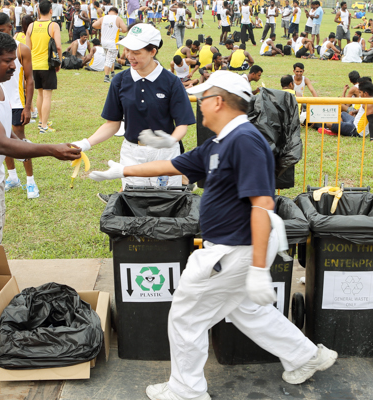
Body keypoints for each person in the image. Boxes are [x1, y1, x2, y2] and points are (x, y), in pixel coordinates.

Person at [88, 70, 338, 400]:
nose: (199, 106)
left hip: (229, 252)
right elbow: (174, 165)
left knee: (184, 317)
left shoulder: (246, 142)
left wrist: (260, 269)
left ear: (218, 102)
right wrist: (122, 171)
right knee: (250, 312)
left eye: (203, 99)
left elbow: (262, 205)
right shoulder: (220, 143)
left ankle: (186, 390)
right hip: (232, 252)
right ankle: (308, 356)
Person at [0, 31, 80, 243]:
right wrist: (52, 150)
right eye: (8, 61)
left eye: (15, 59)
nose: (15, 66)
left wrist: (23, 144)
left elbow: (4, 130)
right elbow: (2, 144)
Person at [70, 24, 195, 202]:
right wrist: (86, 143)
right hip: (132, 153)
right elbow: (112, 124)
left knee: (167, 203)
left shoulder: (171, 82)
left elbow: (182, 123)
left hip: (165, 154)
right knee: (135, 203)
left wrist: (171, 140)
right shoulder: (120, 81)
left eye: (136, 52)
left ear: (153, 51)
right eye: (127, 50)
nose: (129, 56)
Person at [0, 13, 40, 199]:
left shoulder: (22, 50)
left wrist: (28, 107)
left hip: (17, 103)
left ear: (10, 27)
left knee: (20, 142)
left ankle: (30, 182)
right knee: (1, 141)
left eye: (2, 31)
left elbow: (29, 80)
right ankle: (12, 177)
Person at [26, 0, 62, 134]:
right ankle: (44, 126)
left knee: (40, 94)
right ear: (51, 11)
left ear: (39, 11)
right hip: (47, 65)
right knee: (47, 96)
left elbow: (27, 48)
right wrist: (59, 62)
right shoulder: (53, 26)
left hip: (34, 65)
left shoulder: (31, 26)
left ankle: (42, 121)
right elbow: (58, 46)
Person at [92, 6, 126, 83]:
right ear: (117, 13)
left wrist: (103, 27)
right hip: (112, 43)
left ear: (109, 12)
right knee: (109, 60)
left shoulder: (103, 18)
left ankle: (112, 72)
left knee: (110, 58)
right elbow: (124, 29)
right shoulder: (117, 18)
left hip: (104, 42)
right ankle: (106, 77)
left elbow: (94, 25)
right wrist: (118, 29)